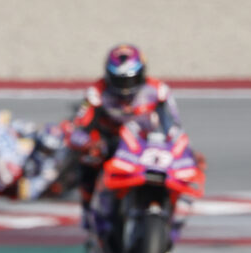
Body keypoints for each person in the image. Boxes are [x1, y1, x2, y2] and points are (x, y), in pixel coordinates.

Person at [67, 44, 191, 232]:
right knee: (87, 161)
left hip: (146, 145)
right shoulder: (96, 93)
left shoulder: (159, 91)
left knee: (187, 168)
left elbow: (175, 126)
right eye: (119, 80)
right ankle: (88, 210)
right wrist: (89, 143)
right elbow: (76, 128)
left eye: (130, 80)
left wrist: (182, 149)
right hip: (110, 145)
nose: (125, 88)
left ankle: (174, 217)